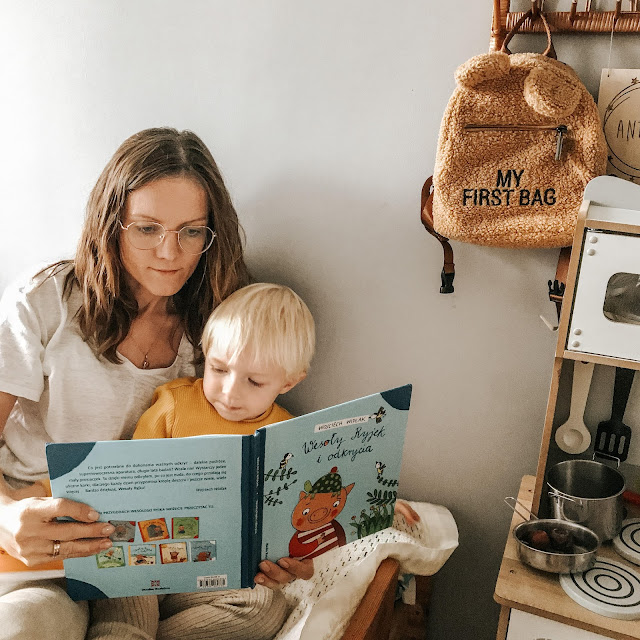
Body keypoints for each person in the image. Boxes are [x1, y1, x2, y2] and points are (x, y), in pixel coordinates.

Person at [0, 128, 308, 640]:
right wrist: (6, 517)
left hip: (172, 543)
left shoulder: (222, 318)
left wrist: (279, 548)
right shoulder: (46, 300)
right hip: (59, 544)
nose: (171, 252)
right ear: (110, 225)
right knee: (27, 626)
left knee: (260, 607)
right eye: (146, 228)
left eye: (191, 232)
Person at [88, 282, 314, 640]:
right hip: (149, 556)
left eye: (254, 381)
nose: (229, 391)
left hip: (210, 574)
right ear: (205, 353)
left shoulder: (287, 434)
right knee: (126, 594)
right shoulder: (175, 406)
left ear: (288, 382)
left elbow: (301, 513)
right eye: (219, 369)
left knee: (263, 609)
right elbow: (129, 481)